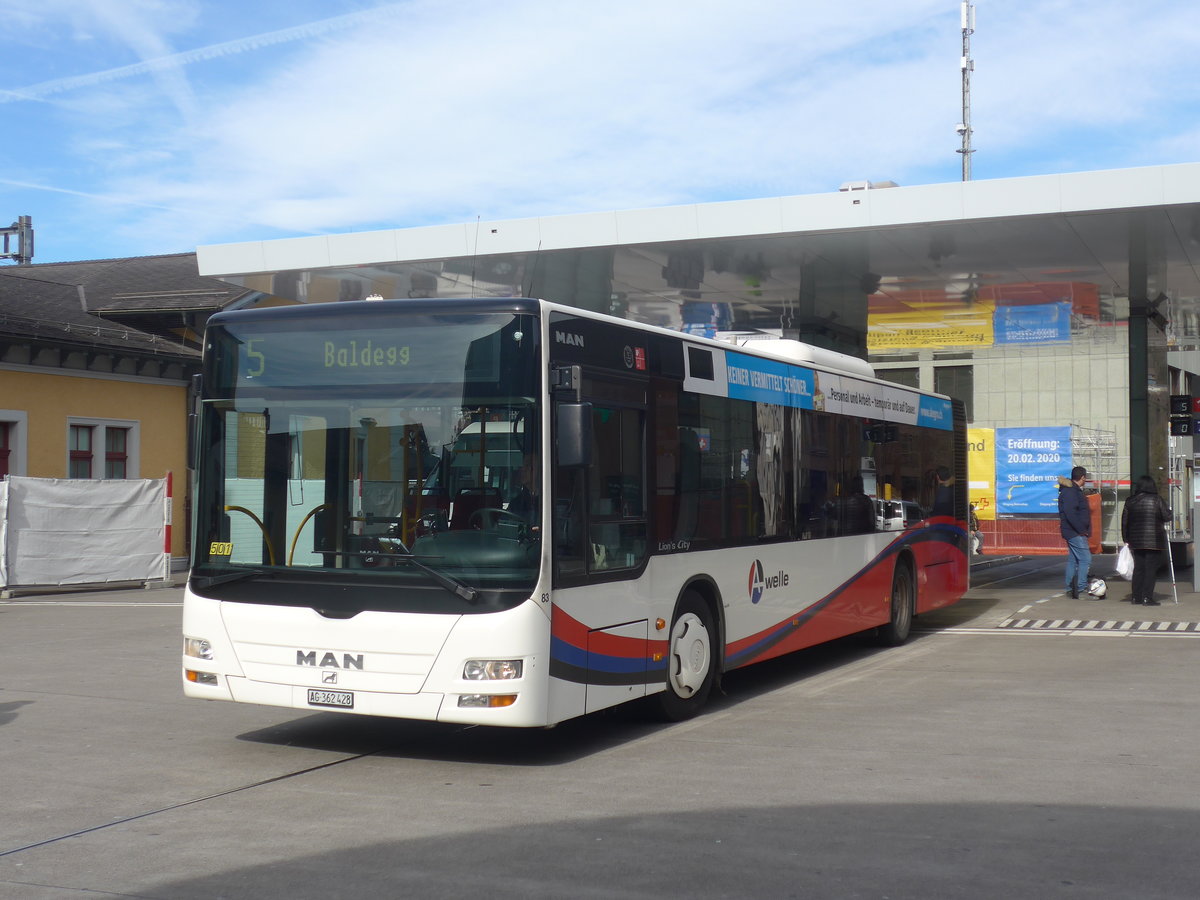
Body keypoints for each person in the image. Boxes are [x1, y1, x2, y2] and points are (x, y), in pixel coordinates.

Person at [1121, 474, 1170, 606]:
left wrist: (1126, 539)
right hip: (1153, 541)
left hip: (1136, 541)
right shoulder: (1157, 500)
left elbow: (1124, 522)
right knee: (1150, 569)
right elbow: (1167, 516)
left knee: (1138, 568)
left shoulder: (1130, 501)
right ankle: (1147, 597)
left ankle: (1136, 597)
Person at [1057, 465, 1091, 599]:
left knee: (1073, 559)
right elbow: (1071, 513)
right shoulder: (1072, 492)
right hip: (1075, 532)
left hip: (1071, 530)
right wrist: (1081, 530)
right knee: (1085, 559)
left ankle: (1070, 588)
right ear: (1082, 477)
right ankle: (1082, 589)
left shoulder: (1070, 491)